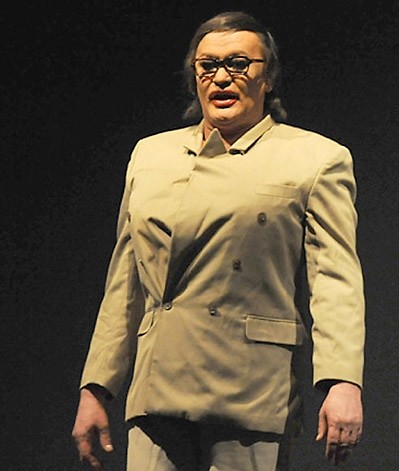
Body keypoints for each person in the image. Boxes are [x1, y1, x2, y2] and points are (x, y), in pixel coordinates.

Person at [71, 11, 365, 471]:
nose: (221, 77)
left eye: (239, 64)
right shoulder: (151, 155)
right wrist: (96, 388)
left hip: (250, 388)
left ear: (268, 77)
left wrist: (342, 382)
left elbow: (335, 282)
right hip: (158, 386)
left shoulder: (315, 158)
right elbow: (125, 283)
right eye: (207, 66)